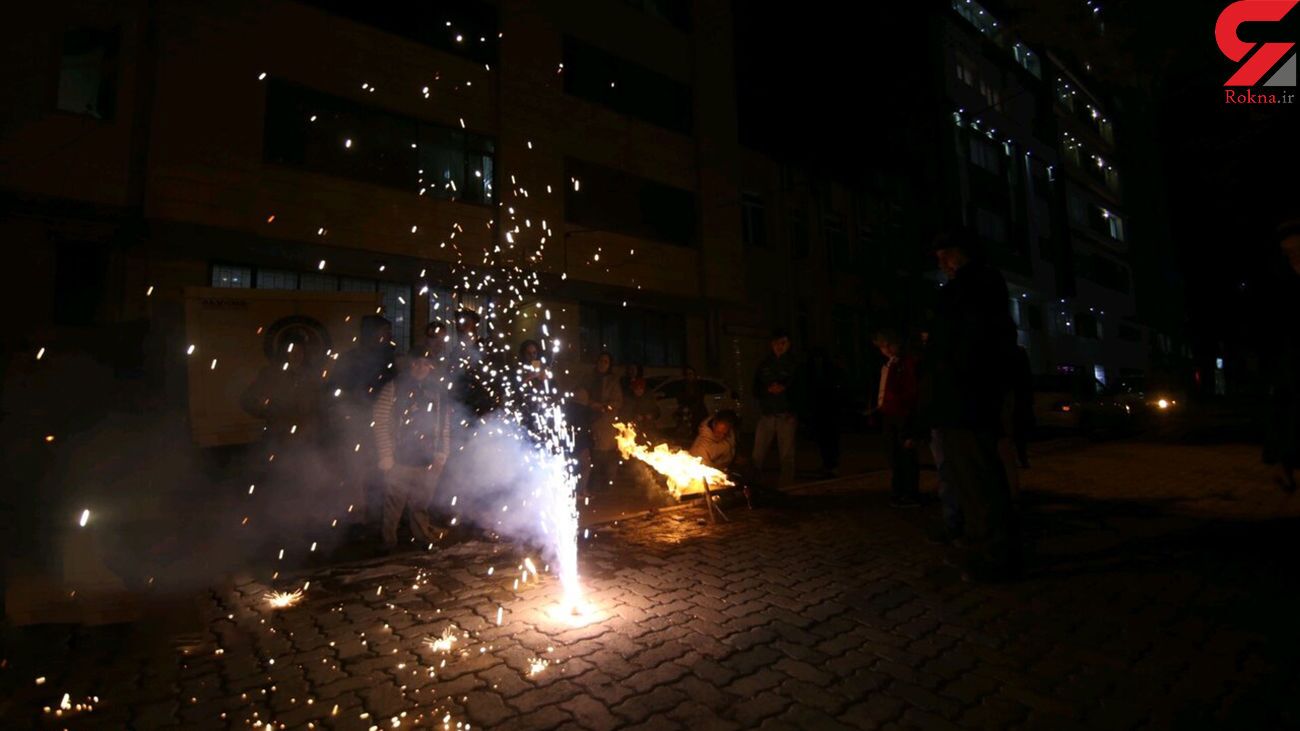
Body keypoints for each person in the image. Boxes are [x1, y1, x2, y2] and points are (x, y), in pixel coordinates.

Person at [922, 227, 1020, 582]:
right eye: (939, 258)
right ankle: (981, 543)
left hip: (966, 400)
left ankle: (992, 553)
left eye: (946, 256)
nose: (943, 264)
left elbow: (970, 345)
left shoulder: (975, 287)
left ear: (963, 252)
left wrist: (946, 368)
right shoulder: (975, 287)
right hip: (962, 399)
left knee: (978, 477)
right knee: (969, 477)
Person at [372, 351, 452, 549]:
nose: (420, 368)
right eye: (416, 363)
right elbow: (380, 421)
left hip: (427, 458)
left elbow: (444, 425)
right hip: (399, 457)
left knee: (420, 504)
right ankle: (388, 542)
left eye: (425, 364)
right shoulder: (394, 387)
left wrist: (442, 453)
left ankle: (422, 537)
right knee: (394, 504)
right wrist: (386, 455)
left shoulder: (438, 392)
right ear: (409, 365)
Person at [329, 314, 396, 522]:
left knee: (382, 469)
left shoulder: (389, 358)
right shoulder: (350, 359)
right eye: (384, 332)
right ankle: (358, 517)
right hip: (357, 423)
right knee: (358, 470)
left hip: (384, 424)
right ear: (371, 333)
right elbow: (336, 390)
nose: (389, 336)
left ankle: (380, 516)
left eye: (389, 332)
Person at [1265, 218, 1300, 493]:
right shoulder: (1285, 284)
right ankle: (1284, 464)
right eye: (1289, 253)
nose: (1294, 258)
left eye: (1297, 251)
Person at [873, 330, 922, 508]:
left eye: (886, 346)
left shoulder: (905, 364)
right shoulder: (891, 363)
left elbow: (909, 392)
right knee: (894, 456)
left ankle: (909, 493)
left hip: (901, 414)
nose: (884, 350)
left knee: (906, 456)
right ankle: (899, 491)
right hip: (890, 413)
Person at [752, 328, 799, 487]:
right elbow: (755, 388)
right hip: (767, 414)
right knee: (758, 454)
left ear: (788, 344)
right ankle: (753, 484)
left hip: (786, 415)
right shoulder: (764, 364)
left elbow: (801, 389)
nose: (779, 346)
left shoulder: (795, 364)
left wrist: (786, 390)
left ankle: (786, 485)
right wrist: (767, 390)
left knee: (787, 455)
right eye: (776, 343)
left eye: (783, 343)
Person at [802, 348, 845, 478]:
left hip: (828, 409)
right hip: (821, 409)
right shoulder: (813, 370)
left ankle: (831, 465)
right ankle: (829, 464)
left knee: (830, 439)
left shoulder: (828, 370)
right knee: (824, 440)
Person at [587, 351, 623, 491]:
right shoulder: (590, 378)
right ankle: (595, 483)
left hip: (607, 422)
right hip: (592, 420)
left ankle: (609, 483)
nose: (602, 364)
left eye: (606, 362)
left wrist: (605, 406)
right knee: (595, 453)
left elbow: (618, 401)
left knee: (609, 454)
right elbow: (583, 396)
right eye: (601, 361)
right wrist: (592, 405)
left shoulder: (613, 381)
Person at [676, 366, 709, 444]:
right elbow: (680, 398)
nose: (689, 376)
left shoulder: (699, 385)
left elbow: (700, 397)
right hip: (687, 412)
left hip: (698, 411)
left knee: (700, 430)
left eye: (691, 374)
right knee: (688, 432)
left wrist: (694, 407)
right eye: (687, 374)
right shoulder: (683, 386)